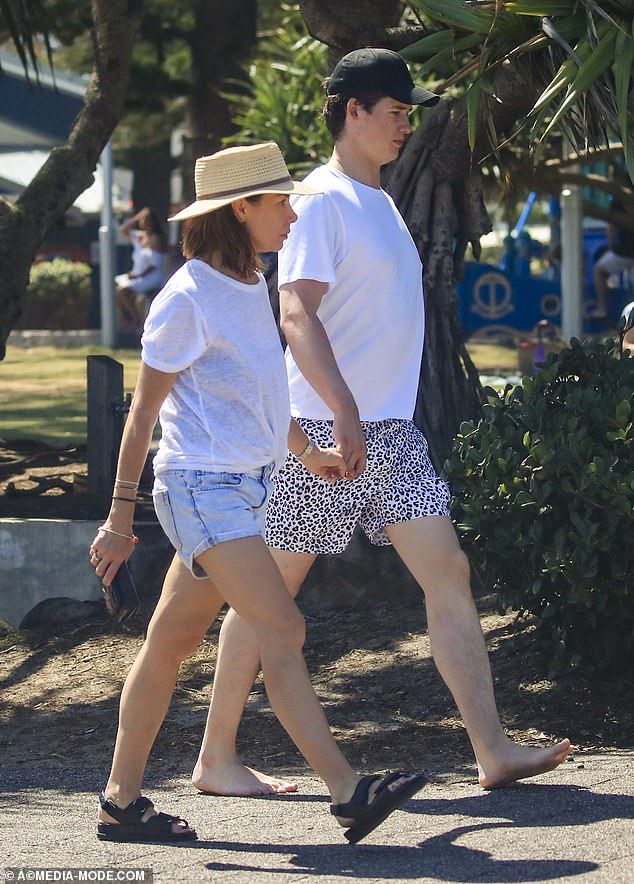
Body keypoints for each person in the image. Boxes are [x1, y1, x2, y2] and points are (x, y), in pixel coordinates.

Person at [191, 49, 571, 799]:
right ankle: (215, 757)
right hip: (322, 438)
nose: (406, 124)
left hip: (387, 434)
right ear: (353, 111)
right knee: (268, 595)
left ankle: (491, 750)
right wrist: (341, 411)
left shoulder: (380, 201)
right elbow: (295, 310)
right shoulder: (322, 200)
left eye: (407, 113)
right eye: (395, 111)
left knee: (447, 574)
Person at [89, 142, 426, 845]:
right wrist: (119, 517)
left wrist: (309, 453)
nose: (292, 216)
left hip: (244, 488)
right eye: (279, 203)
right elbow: (143, 413)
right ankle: (349, 792)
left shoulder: (250, 284)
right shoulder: (186, 297)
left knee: (171, 640)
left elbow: (263, 395)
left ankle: (120, 803)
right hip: (201, 489)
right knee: (282, 627)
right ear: (239, 209)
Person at [115, 207, 168, 331]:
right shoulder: (140, 237)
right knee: (117, 287)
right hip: (138, 275)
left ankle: (137, 321)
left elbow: (154, 265)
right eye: (143, 220)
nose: (144, 223)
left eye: (147, 220)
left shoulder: (156, 239)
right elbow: (123, 230)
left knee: (122, 290)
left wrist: (138, 275)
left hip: (151, 276)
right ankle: (127, 318)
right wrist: (138, 216)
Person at [590, 195, 634, 319]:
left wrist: (611, 248)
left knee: (599, 270)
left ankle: (602, 309)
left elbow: (611, 229)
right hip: (626, 253)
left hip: (625, 252)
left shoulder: (617, 200)